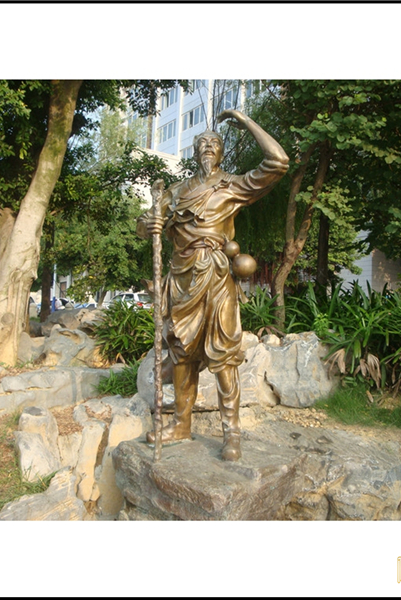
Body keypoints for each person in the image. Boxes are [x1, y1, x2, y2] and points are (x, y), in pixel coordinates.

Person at [137, 109, 289, 461]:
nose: (208, 146)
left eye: (215, 142)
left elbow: (278, 162)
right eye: (202, 143)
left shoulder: (233, 185)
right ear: (195, 152)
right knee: (181, 353)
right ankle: (181, 424)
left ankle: (231, 434)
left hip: (217, 276)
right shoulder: (176, 191)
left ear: (221, 152)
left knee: (224, 355)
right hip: (181, 278)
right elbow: (143, 224)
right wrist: (151, 225)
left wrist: (246, 122)